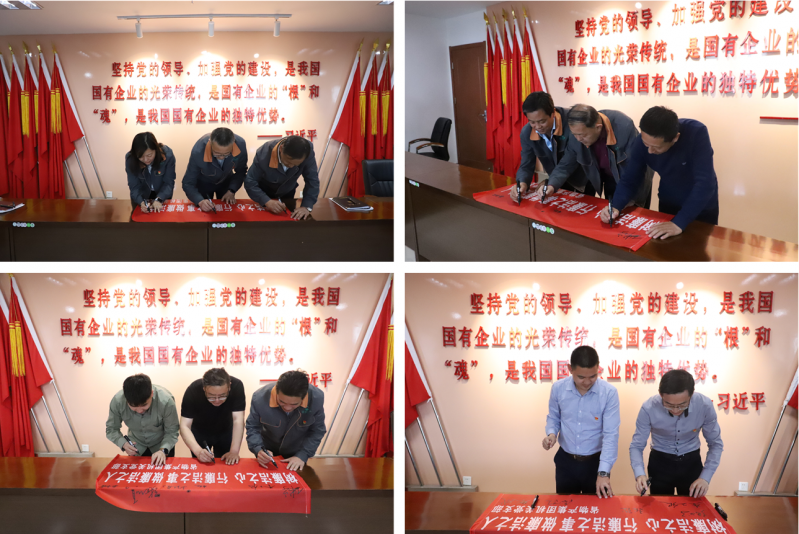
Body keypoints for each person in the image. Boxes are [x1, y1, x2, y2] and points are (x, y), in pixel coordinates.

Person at [600, 106, 720, 239]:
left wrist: (679, 222)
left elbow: (705, 184)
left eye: (656, 147)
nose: (650, 151)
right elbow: (630, 178)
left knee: (698, 246)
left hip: (700, 206)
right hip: (668, 201)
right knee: (665, 245)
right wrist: (615, 206)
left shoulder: (696, 133)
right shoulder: (641, 141)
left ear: (675, 138)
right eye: (646, 144)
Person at [537, 104, 652, 209]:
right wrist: (551, 185)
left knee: (635, 213)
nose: (578, 139)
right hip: (609, 178)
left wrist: (623, 201)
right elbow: (565, 165)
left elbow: (635, 169)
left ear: (598, 127)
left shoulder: (623, 126)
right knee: (612, 214)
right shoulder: (578, 133)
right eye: (575, 134)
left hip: (635, 179)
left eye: (582, 135)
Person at [629, 369, 723, 498]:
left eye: (682, 404)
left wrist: (705, 477)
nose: (675, 410)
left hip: (691, 463)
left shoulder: (704, 405)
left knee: (692, 508)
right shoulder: (648, 408)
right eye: (668, 404)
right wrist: (639, 473)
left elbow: (715, 443)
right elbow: (636, 445)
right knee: (660, 507)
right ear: (660, 394)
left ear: (691, 395)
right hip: (660, 464)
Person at [543, 346, 620, 498]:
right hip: (566, 461)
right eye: (581, 377)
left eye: (593, 376)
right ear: (570, 369)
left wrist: (603, 473)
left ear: (598, 367)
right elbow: (554, 417)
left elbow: (610, 435)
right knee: (565, 507)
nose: (587, 382)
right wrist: (551, 434)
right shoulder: (558, 388)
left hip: (595, 463)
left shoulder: (609, 393)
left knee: (596, 509)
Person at [509, 92, 587, 202]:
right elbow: (526, 163)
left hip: (582, 176)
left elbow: (567, 164)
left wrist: (551, 182)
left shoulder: (572, 125)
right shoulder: (527, 132)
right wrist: (522, 183)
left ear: (553, 112)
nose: (537, 127)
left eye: (542, 121)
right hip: (556, 178)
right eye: (532, 122)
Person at [245, 370, 325, 471]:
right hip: (268, 451)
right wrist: (258, 449)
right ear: (277, 392)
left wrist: (302, 455)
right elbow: (252, 426)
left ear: (304, 397)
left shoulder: (316, 398)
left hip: (296, 453)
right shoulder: (260, 398)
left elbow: (317, 430)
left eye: (294, 404)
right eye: (281, 402)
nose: (287, 408)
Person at [105, 373, 179, 466]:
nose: (140, 411)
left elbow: (172, 431)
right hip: (136, 447)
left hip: (162, 445)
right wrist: (123, 444)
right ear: (126, 399)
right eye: (133, 407)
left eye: (144, 405)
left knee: (164, 474)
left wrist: (163, 450)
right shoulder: (118, 401)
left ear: (151, 393)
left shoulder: (166, 401)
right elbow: (111, 429)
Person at [179, 368, 246, 465]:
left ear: (229, 387)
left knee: (225, 464)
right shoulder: (193, 390)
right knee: (202, 464)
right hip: (200, 431)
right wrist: (198, 451)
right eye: (211, 396)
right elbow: (184, 425)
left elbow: (238, 419)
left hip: (226, 430)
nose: (217, 400)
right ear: (204, 388)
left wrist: (234, 451)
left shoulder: (237, 386)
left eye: (222, 396)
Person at [244, 135, 319, 220]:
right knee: (263, 222)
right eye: (287, 162)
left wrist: (306, 206)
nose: (291, 166)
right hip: (265, 192)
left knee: (286, 222)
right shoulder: (264, 152)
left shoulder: (307, 151)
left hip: (288, 192)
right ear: (281, 149)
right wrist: (266, 201)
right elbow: (250, 181)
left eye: (295, 164)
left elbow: (312, 180)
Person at [182, 127, 248, 213]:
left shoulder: (240, 145)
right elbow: (188, 182)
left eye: (226, 154)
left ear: (233, 145)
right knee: (205, 212)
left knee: (226, 212)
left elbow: (241, 171)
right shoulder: (198, 151)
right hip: (204, 183)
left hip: (226, 182)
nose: (221, 157)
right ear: (210, 143)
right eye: (217, 153)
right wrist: (199, 200)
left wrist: (232, 190)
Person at [125, 132, 176, 212]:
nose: (146, 160)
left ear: (156, 150)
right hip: (141, 196)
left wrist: (159, 199)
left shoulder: (167, 155)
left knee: (162, 218)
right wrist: (141, 202)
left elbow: (168, 183)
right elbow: (134, 186)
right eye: (141, 156)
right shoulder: (131, 159)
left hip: (162, 194)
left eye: (149, 155)